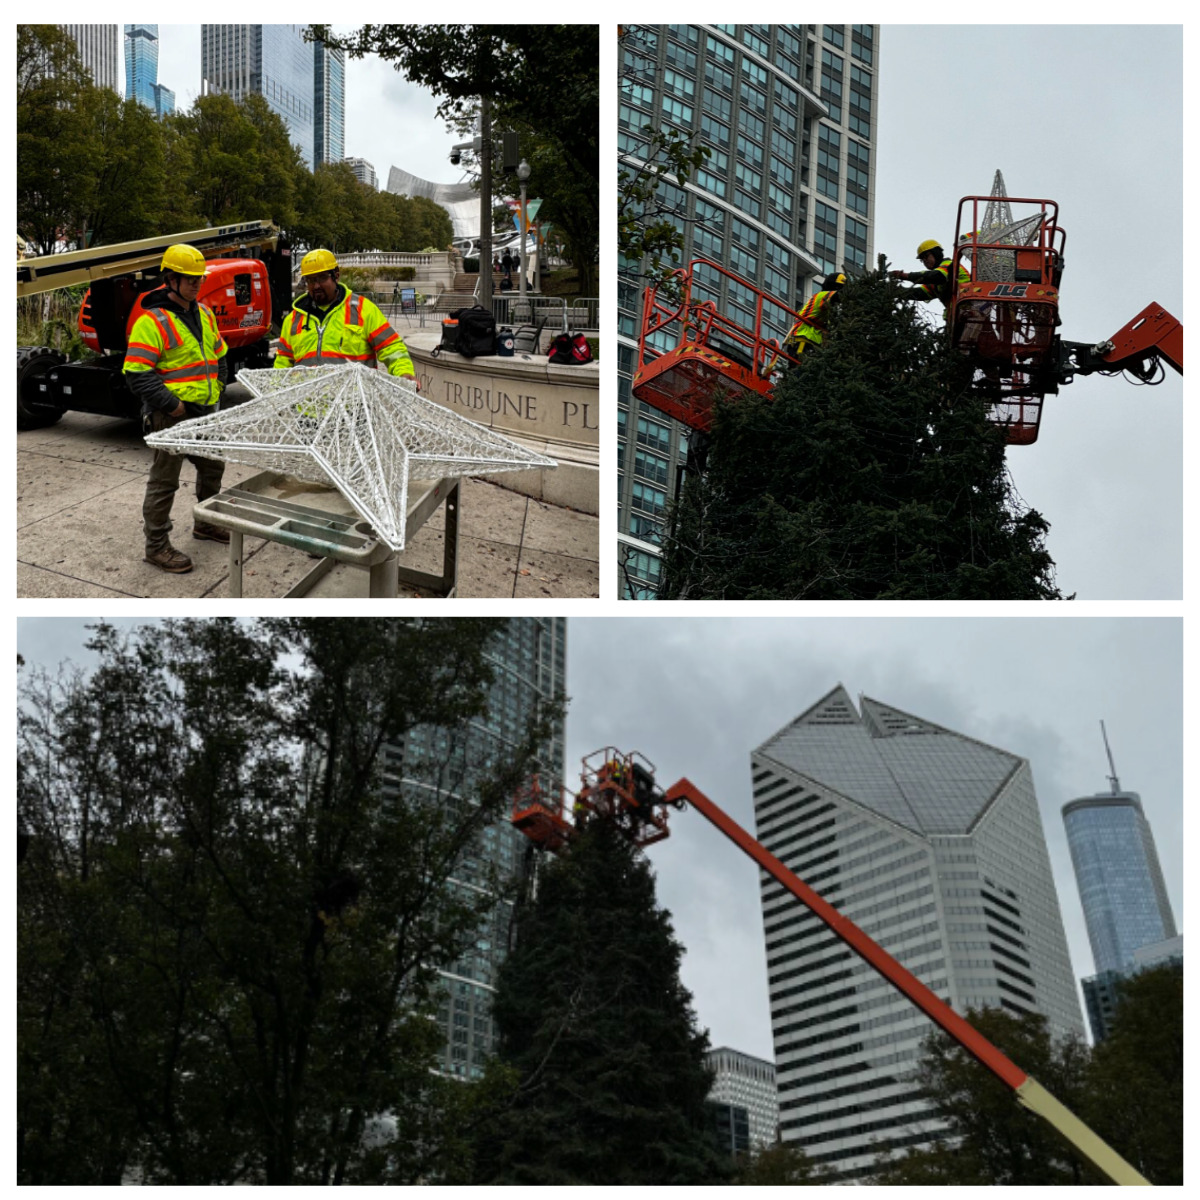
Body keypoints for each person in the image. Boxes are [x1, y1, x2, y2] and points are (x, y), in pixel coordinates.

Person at [124, 243, 229, 573]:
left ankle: (205, 523)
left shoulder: (205, 313)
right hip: (170, 415)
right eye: (189, 279)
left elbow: (219, 353)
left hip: (201, 410)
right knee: (164, 481)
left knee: (212, 466)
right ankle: (156, 546)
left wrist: (219, 387)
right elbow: (136, 374)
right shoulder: (151, 321)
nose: (197, 285)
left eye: (199, 279)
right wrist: (173, 405)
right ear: (170, 279)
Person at [274, 248, 417, 385]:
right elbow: (283, 362)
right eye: (311, 280)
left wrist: (404, 373)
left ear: (336, 275)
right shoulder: (293, 319)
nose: (316, 285)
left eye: (322, 278)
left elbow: (391, 347)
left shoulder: (363, 310)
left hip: (354, 407)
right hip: (307, 408)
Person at [889, 239, 970, 313]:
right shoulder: (935, 284)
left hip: (968, 304)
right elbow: (919, 293)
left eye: (926, 256)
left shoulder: (949, 265)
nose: (925, 261)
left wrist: (906, 276)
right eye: (922, 259)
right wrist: (894, 291)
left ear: (936, 253)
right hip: (958, 314)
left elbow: (936, 276)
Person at [782, 272, 847, 362]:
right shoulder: (822, 296)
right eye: (838, 287)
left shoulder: (828, 313)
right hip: (803, 338)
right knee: (799, 369)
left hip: (811, 342)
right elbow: (837, 296)